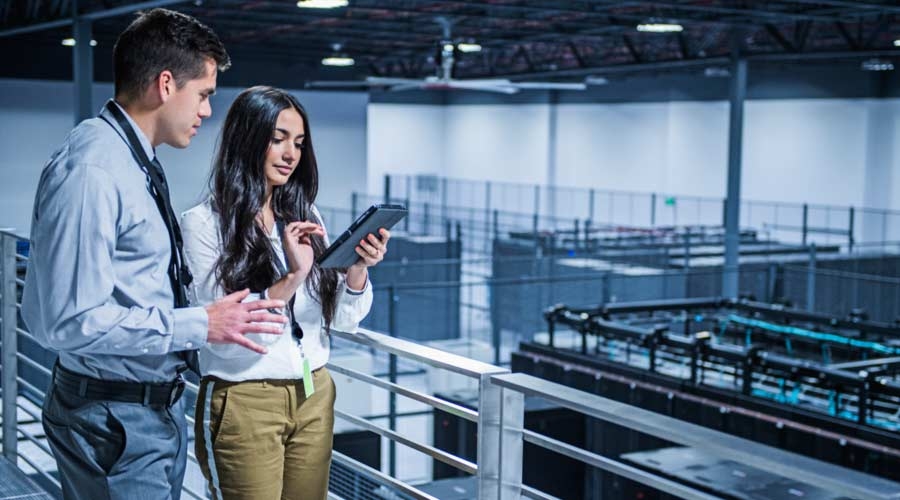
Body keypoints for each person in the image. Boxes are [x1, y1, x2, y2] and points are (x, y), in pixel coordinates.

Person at [22, 9, 290, 500]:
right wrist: (198, 324)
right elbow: (66, 320)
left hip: (142, 413)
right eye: (204, 94)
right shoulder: (95, 170)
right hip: (112, 423)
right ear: (166, 84)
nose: (208, 111)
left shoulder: (131, 159)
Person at [181, 85, 389, 500]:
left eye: (298, 142)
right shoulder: (203, 224)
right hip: (244, 399)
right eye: (277, 140)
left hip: (313, 392)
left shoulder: (304, 213)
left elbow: (342, 319)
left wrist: (357, 271)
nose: (290, 154)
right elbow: (224, 337)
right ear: (247, 139)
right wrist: (294, 275)